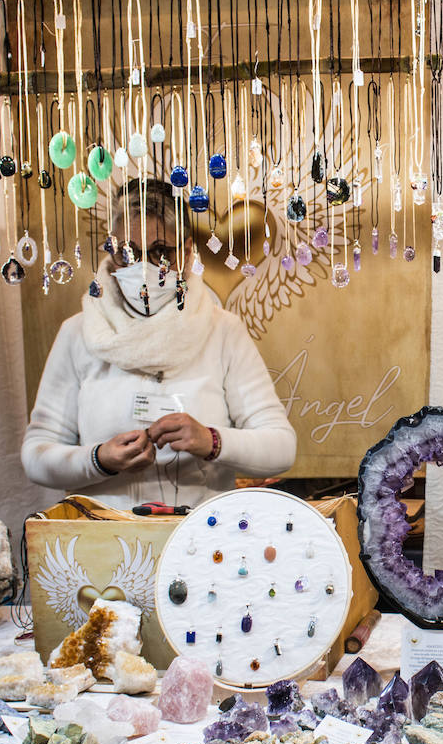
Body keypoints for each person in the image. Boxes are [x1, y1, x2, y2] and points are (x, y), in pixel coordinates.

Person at [22, 178, 296, 508]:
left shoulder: (224, 332)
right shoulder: (77, 333)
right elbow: (36, 454)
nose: (142, 268)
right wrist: (99, 459)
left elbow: (282, 447)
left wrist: (211, 441)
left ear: (188, 249)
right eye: (128, 252)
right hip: (104, 544)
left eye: (160, 252)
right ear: (111, 249)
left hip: (202, 541)